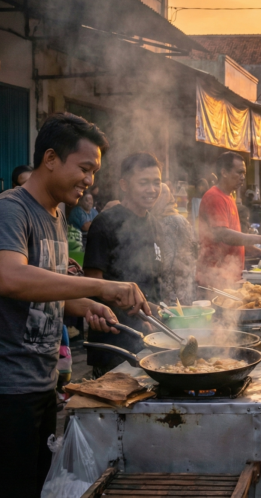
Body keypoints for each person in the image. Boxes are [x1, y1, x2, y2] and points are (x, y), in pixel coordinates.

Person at [0, 113, 149, 498]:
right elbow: (10, 278)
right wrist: (103, 286)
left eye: (94, 171)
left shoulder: (56, 214)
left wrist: (88, 303)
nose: (90, 179)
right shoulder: (9, 210)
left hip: (38, 385)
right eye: (85, 168)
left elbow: (47, 288)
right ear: (50, 159)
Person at [83, 152, 164, 376]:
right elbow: (92, 284)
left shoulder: (155, 224)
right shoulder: (105, 223)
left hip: (150, 340)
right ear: (124, 185)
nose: (152, 189)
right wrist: (132, 316)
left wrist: (160, 312)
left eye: (156, 182)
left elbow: (153, 282)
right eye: (144, 183)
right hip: (114, 342)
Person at [198, 152, 261, 289]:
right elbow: (223, 234)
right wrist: (260, 239)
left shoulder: (229, 197)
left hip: (231, 276)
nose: (243, 178)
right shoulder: (215, 197)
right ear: (224, 172)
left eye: (244, 173)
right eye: (239, 173)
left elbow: (234, 236)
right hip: (215, 277)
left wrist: (252, 249)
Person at [153, 184, 197, 305]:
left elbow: (188, 255)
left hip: (178, 287)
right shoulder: (154, 220)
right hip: (165, 286)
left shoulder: (177, 221)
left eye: (163, 194)